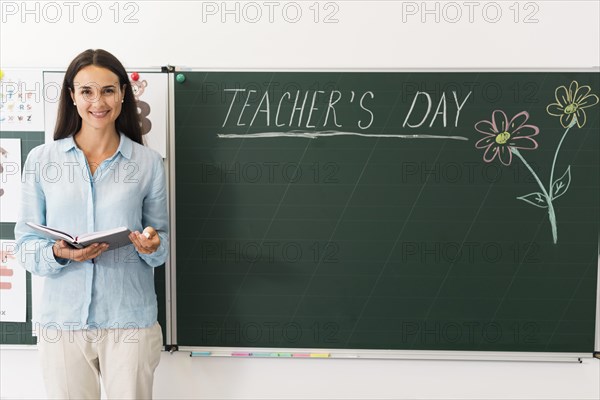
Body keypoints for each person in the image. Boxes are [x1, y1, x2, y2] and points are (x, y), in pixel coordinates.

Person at [14, 49, 168, 400]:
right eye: (86, 91)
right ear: (71, 95)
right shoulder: (41, 160)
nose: (98, 101)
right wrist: (58, 252)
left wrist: (152, 245)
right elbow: (24, 244)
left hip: (129, 320)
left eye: (108, 90)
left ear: (123, 94)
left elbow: (163, 241)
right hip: (62, 324)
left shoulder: (147, 163)